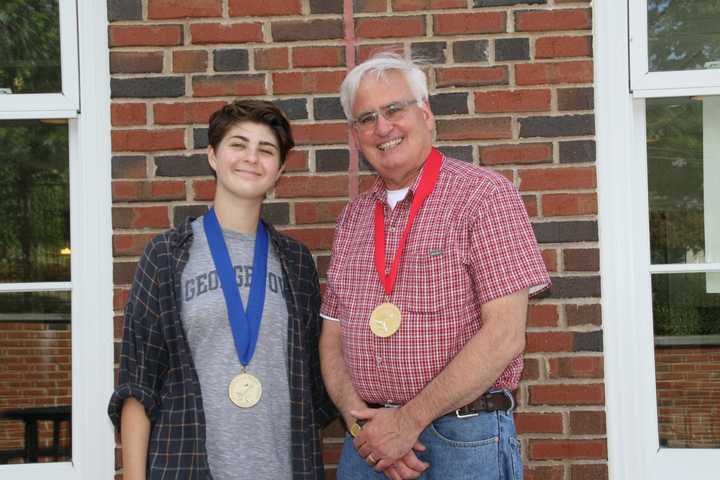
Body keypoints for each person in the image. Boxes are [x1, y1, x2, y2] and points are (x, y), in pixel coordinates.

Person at [319, 53, 551, 480]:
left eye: (394, 109)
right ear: (355, 135)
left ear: (426, 113)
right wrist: (363, 426)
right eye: (366, 118)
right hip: (370, 447)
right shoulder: (351, 219)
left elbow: (504, 336)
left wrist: (407, 423)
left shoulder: (485, 197)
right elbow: (332, 339)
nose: (382, 127)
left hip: (465, 439)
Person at [108, 100, 335, 480]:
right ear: (213, 156)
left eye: (266, 150)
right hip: (187, 467)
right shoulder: (167, 254)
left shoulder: (296, 262)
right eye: (238, 144)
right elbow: (138, 383)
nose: (251, 158)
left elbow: (316, 379)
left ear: (279, 170)